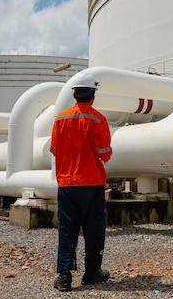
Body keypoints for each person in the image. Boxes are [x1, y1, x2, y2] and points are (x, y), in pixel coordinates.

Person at [50, 73, 113, 292]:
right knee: (94, 229)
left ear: (75, 94)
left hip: (67, 184)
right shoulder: (98, 119)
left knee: (67, 229)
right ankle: (92, 272)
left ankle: (65, 276)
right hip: (92, 183)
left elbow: (55, 150)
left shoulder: (60, 119)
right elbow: (105, 154)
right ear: (92, 95)